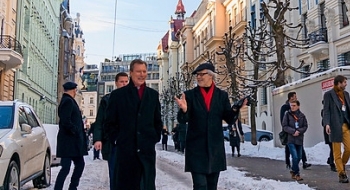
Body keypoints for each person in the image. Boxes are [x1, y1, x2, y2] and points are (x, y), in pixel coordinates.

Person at [174, 62, 247, 190]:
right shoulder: (190, 95)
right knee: (200, 185)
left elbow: (229, 118)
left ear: (211, 76)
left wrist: (236, 108)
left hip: (215, 148)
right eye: (197, 75)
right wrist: (184, 110)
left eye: (202, 74)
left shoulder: (221, 95)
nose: (198, 77)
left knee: (212, 186)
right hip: (196, 148)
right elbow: (182, 120)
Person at [105, 59, 163, 190]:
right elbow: (109, 123)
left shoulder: (152, 95)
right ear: (131, 73)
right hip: (126, 153)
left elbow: (157, 121)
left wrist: (154, 137)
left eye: (144, 71)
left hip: (146, 152)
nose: (142, 74)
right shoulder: (118, 95)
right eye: (138, 71)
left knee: (146, 185)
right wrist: (117, 139)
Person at [92, 72, 129, 190]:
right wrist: (98, 139)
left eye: (126, 82)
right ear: (116, 83)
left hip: (129, 143)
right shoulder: (107, 100)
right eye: (121, 82)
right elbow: (100, 121)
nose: (124, 84)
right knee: (114, 174)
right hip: (113, 143)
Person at [323, 75, 350, 183]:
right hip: (335, 126)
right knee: (336, 152)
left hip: (346, 125)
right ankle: (341, 173)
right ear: (338, 83)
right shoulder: (328, 94)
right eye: (344, 82)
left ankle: (341, 165)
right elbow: (326, 110)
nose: (346, 84)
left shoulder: (346, 94)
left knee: (349, 149)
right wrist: (327, 124)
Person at [54, 82, 88, 190]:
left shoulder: (68, 101)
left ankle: (72, 187)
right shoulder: (67, 101)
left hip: (71, 142)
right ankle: (64, 188)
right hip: (68, 142)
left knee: (78, 165)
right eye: (75, 90)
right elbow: (66, 120)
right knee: (66, 168)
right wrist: (76, 131)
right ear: (73, 90)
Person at [280, 92, 311, 170]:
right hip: (289, 131)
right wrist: (289, 130)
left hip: (297, 132)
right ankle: (288, 162)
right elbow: (283, 120)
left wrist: (299, 130)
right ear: (291, 98)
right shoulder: (285, 107)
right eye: (295, 96)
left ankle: (304, 162)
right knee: (288, 147)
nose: (296, 98)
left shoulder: (297, 107)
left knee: (300, 147)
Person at [281, 100, 308, 182]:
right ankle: (297, 174)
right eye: (291, 105)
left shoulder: (302, 116)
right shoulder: (287, 115)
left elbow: (305, 126)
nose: (292, 107)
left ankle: (293, 170)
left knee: (299, 157)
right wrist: (293, 131)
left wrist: (299, 131)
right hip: (290, 139)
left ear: (298, 106)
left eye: (294, 105)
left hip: (299, 140)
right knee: (295, 157)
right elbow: (285, 126)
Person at [321, 100, 336, 172]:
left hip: (332, 132)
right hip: (329, 132)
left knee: (333, 148)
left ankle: (330, 160)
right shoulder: (324, 112)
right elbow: (324, 122)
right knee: (333, 148)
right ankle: (331, 163)